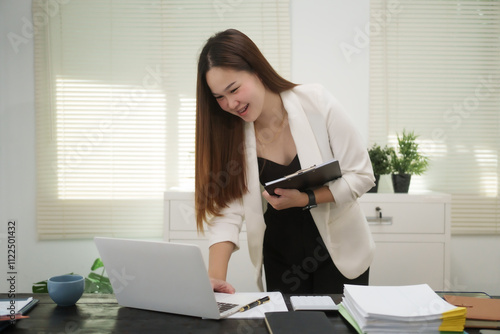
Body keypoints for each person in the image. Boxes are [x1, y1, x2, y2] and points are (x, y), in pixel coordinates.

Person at [195, 29, 375, 294]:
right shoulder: (229, 134)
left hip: (341, 254)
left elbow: (361, 175)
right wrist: (214, 279)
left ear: (256, 70)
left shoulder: (316, 102)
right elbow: (227, 210)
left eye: (233, 89)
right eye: (219, 98)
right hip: (282, 260)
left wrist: (306, 199)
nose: (231, 103)